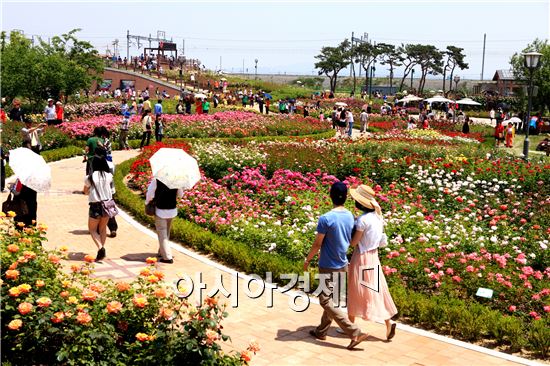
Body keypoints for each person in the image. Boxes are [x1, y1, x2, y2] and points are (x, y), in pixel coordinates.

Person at [304, 182, 369, 350]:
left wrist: (307, 260)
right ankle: (321, 331)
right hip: (342, 264)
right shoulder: (349, 216)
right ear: (346, 197)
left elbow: (317, 244)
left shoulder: (326, 218)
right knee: (331, 300)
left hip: (328, 265)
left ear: (330, 195)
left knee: (325, 300)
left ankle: (354, 331)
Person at [347, 185, 398, 341]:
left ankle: (351, 327)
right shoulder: (377, 217)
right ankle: (388, 322)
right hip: (373, 256)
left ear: (361, 204)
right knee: (375, 290)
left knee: (355, 290)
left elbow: (354, 243)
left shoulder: (362, 220)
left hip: (361, 256)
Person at [83, 148, 115, 261]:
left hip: (95, 205)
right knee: (102, 229)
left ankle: (101, 248)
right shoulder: (109, 176)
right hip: (107, 205)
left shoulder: (90, 177)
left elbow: (85, 191)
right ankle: (102, 250)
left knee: (92, 229)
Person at [145, 179, 184, 264]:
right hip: (172, 210)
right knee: (166, 232)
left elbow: (150, 193)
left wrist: (147, 202)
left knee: (162, 233)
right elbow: (180, 195)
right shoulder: (177, 180)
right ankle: (161, 252)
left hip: (160, 210)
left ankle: (167, 257)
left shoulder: (157, 179)